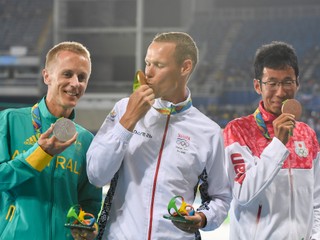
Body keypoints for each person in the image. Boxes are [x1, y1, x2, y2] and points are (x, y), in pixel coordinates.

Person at [86, 32, 231, 240]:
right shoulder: (123, 109)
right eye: (147, 63)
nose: (148, 73)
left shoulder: (208, 132)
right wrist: (128, 121)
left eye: (159, 65)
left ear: (185, 67)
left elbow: (221, 198)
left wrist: (201, 218)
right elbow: (96, 175)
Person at [0, 41, 102, 240]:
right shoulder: (9, 121)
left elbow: (89, 202)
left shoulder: (85, 139)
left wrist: (87, 227)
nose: (75, 83)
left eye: (82, 77)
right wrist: (40, 154)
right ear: (47, 76)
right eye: (67, 74)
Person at [224, 41, 320, 239]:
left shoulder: (307, 134)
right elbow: (242, 193)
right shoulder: (238, 130)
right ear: (258, 86)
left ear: (297, 83)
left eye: (287, 82)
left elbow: (316, 199)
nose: (280, 92)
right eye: (272, 83)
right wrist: (278, 144)